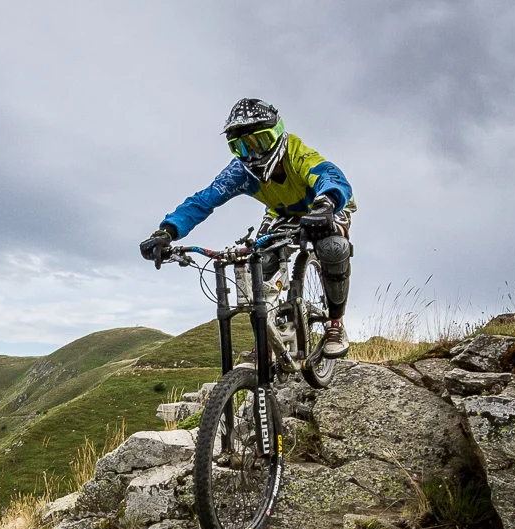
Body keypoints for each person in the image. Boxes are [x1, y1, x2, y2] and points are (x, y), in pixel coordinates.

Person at [140, 98, 355, 357]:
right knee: (257, 262)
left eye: (259, 142)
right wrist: (166, 232)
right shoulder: (240, 172)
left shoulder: (298, 154)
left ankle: (335, 323)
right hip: (282, 214)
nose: (253, 153)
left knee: (332, 246)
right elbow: (202, 201)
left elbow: (332, 177)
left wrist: (326, 205)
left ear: (278, 134)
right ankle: (268, 336)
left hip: (326, 205)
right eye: (241, 146)